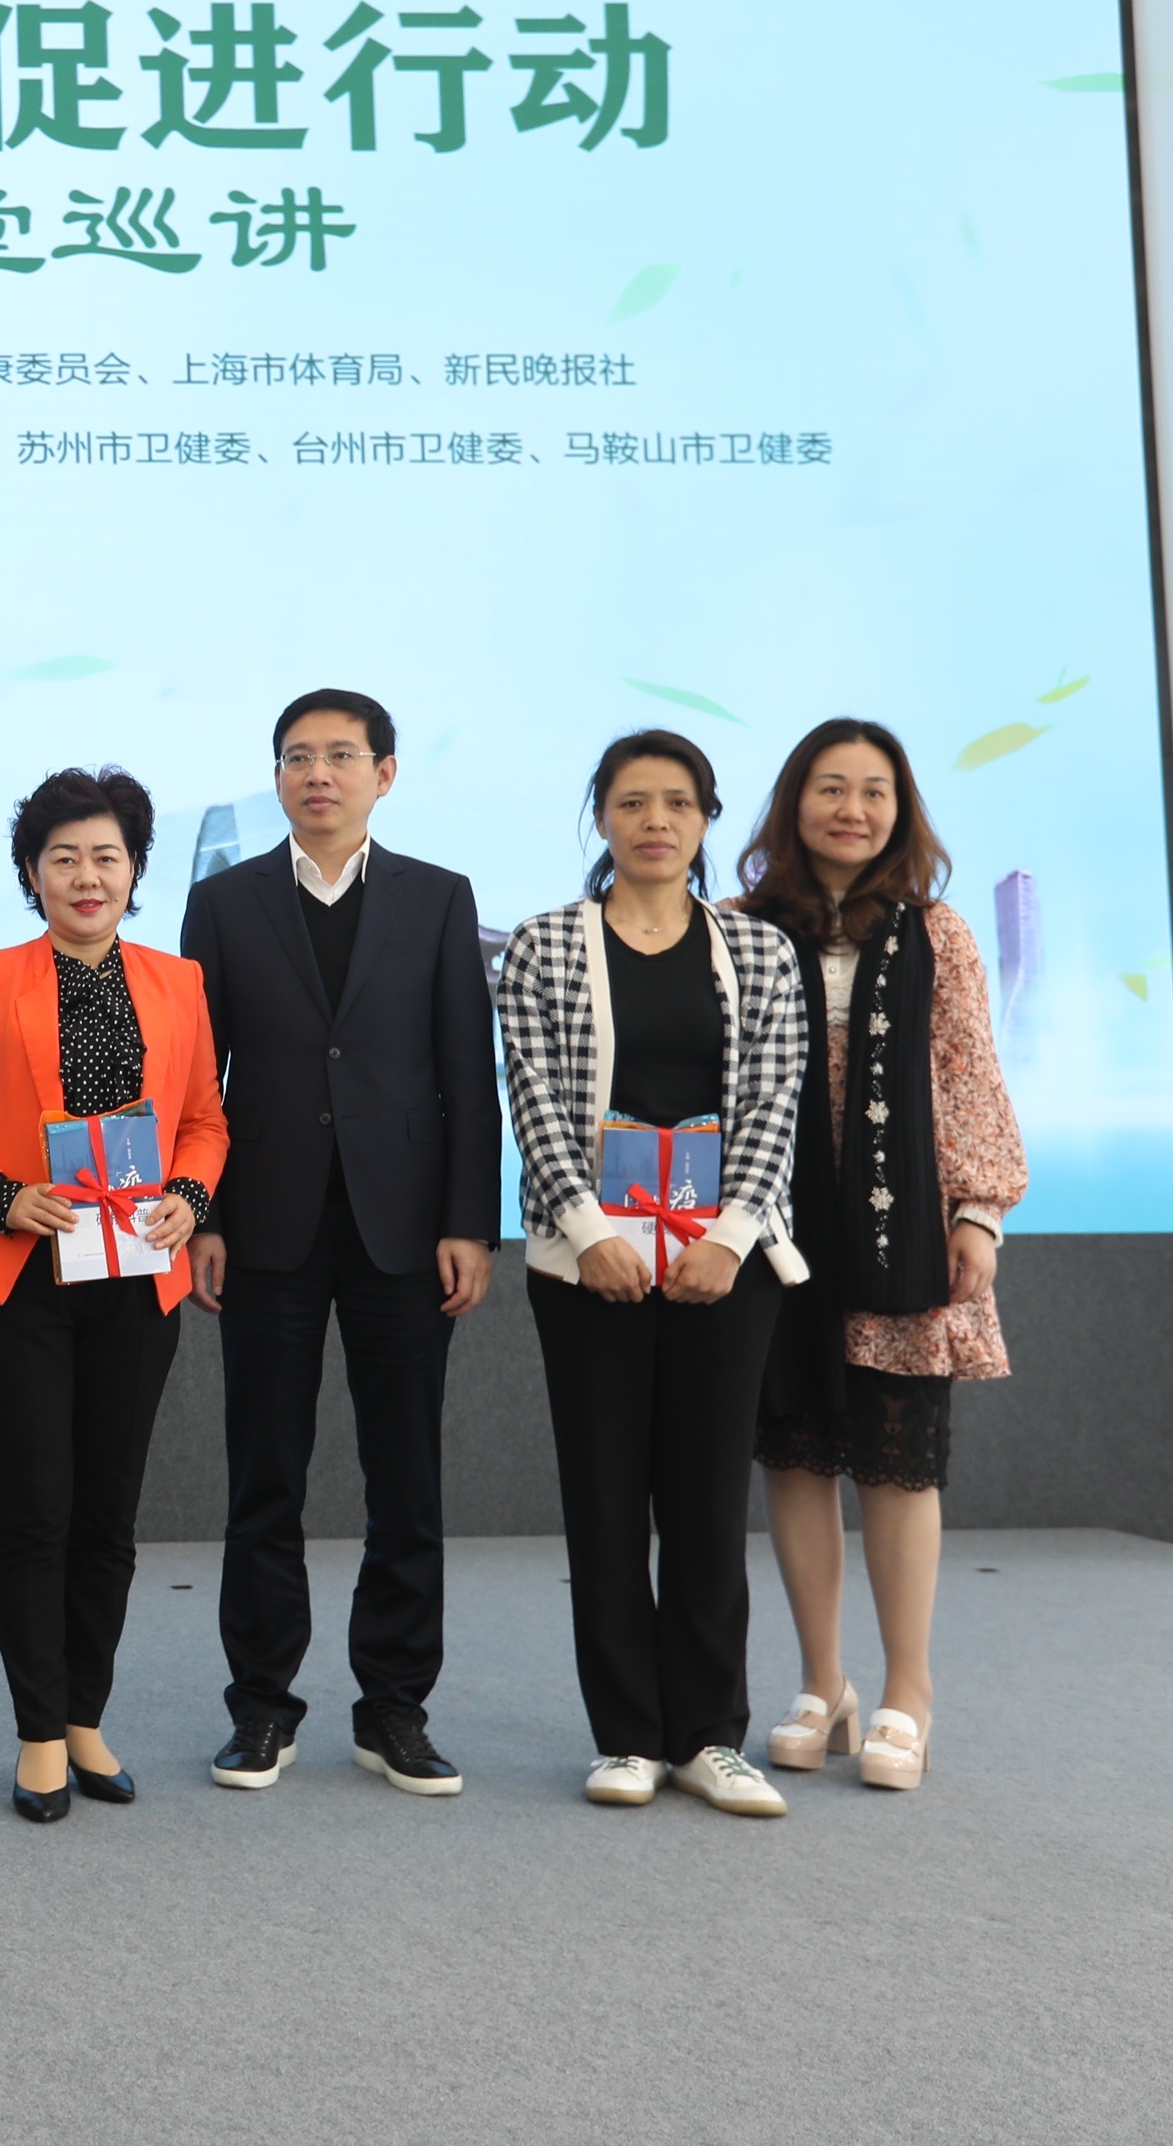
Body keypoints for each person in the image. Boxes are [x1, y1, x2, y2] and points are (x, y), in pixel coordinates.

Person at [176, 689, 499, 1798]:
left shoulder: (438, 897)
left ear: (384, 774)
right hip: (263, 1225)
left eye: (341, 755)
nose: (318, 773)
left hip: (403, 1228)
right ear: (276, 777)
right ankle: (261, 1707)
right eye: (297, 757)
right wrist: (204, 1216)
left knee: (405, 1480)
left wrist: (468, 1221)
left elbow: (466, 1072)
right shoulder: (222, 902)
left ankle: (394, 1707)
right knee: (263, 1476)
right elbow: (196, 1081)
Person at [496, 730, 810, 1818]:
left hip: (725, 1261)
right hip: (590, 1260)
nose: (654, 821)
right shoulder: (544, 944)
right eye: (632, 802)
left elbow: (774, 1101)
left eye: (677, 802)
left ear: (707, 819)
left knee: (708, 1501)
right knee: (603, 1500)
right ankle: (627, 1736)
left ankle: (709, 1737)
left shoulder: (758, 951)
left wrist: (728, 1236)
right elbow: (533, 1096)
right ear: (601, 817)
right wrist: (590, 1233)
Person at [0, 769, 229, 1823]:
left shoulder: (177, 981)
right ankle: (39, 1730)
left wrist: (188, 1196)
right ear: (32, 873)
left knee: (108, 1515)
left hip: (138, 1279)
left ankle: (86, 1714)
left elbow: (204, 1121)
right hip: (21, 1282)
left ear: (134, 870)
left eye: (106, 857)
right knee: (36, 1508)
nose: (87, 877)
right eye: (63, 858)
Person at [730, 720, 1026, 1794]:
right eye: (829, 787)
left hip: (903, 1226)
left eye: (873, 790)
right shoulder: (739, 930)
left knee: (899, 1459)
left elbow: (969, 1073)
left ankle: (909, 1692)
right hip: (774, 1225)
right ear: (792, 802)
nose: (851, 809)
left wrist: (979, 1213)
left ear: (900, 811)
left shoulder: (937, 932)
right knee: (798, 1454)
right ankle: (824, 1684)